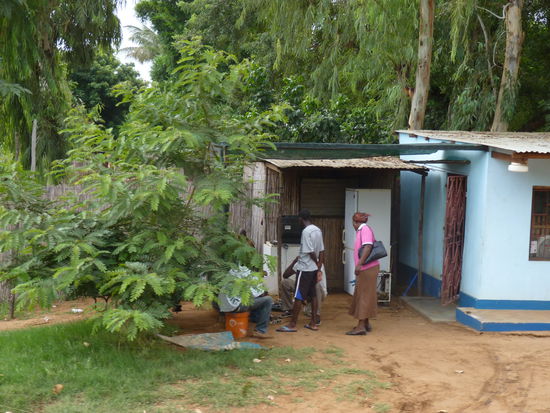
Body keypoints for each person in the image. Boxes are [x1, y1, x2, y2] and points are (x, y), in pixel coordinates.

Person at [277, 209, 324, 332]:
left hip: (305, 268)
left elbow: (310, 251)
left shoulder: (306, 232)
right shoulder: (317, 230)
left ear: (300, 219)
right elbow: (322, 250)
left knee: (298, 295)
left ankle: (292, 324)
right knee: (313, 295)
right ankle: (313, 323)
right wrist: (318, 265)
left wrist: (316, 262)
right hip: (313, 269)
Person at [347, 211, 380, 336]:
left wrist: (359, 264)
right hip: (368, 268)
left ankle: (360, 326)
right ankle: (365, 323)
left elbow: (368, 247)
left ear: (355, 222)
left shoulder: (364, 229)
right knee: (365, 294)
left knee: (363, 296)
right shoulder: (363, 230)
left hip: (367, 268)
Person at [218, 266, 273, 339]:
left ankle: (253, 318)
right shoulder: (249, 277)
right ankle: (260, 330)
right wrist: (263, 291)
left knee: (252, 300)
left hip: (225, 307)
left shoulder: (232, 273)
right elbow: (259, 294)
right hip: (236, 306)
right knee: (268, 300)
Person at [280, 257, 327, 325]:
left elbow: (314, 281)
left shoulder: (318, 263)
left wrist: (302, 296)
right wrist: (294, 261)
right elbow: (285, 275)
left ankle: (317, 315)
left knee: (316, 285)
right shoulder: (301, 261)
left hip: (317, 292)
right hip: (303, 290)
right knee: (285, 282)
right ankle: (290, 309)